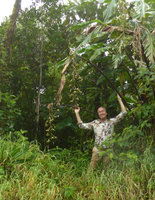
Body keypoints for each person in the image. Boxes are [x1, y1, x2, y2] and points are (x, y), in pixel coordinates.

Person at [74, 94, 127, 171]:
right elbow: (81, 126)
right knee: (91, 169)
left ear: (106, 112)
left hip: (109, 150)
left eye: (102, 111)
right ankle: (89, 181)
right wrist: (77, 113)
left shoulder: (111, 122)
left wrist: (119, 100)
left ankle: (105, 182)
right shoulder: (95, 123)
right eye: (99, 112)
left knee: (107, 170)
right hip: (97, 149)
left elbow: (124, 113)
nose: (101, 113)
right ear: (98, 114)